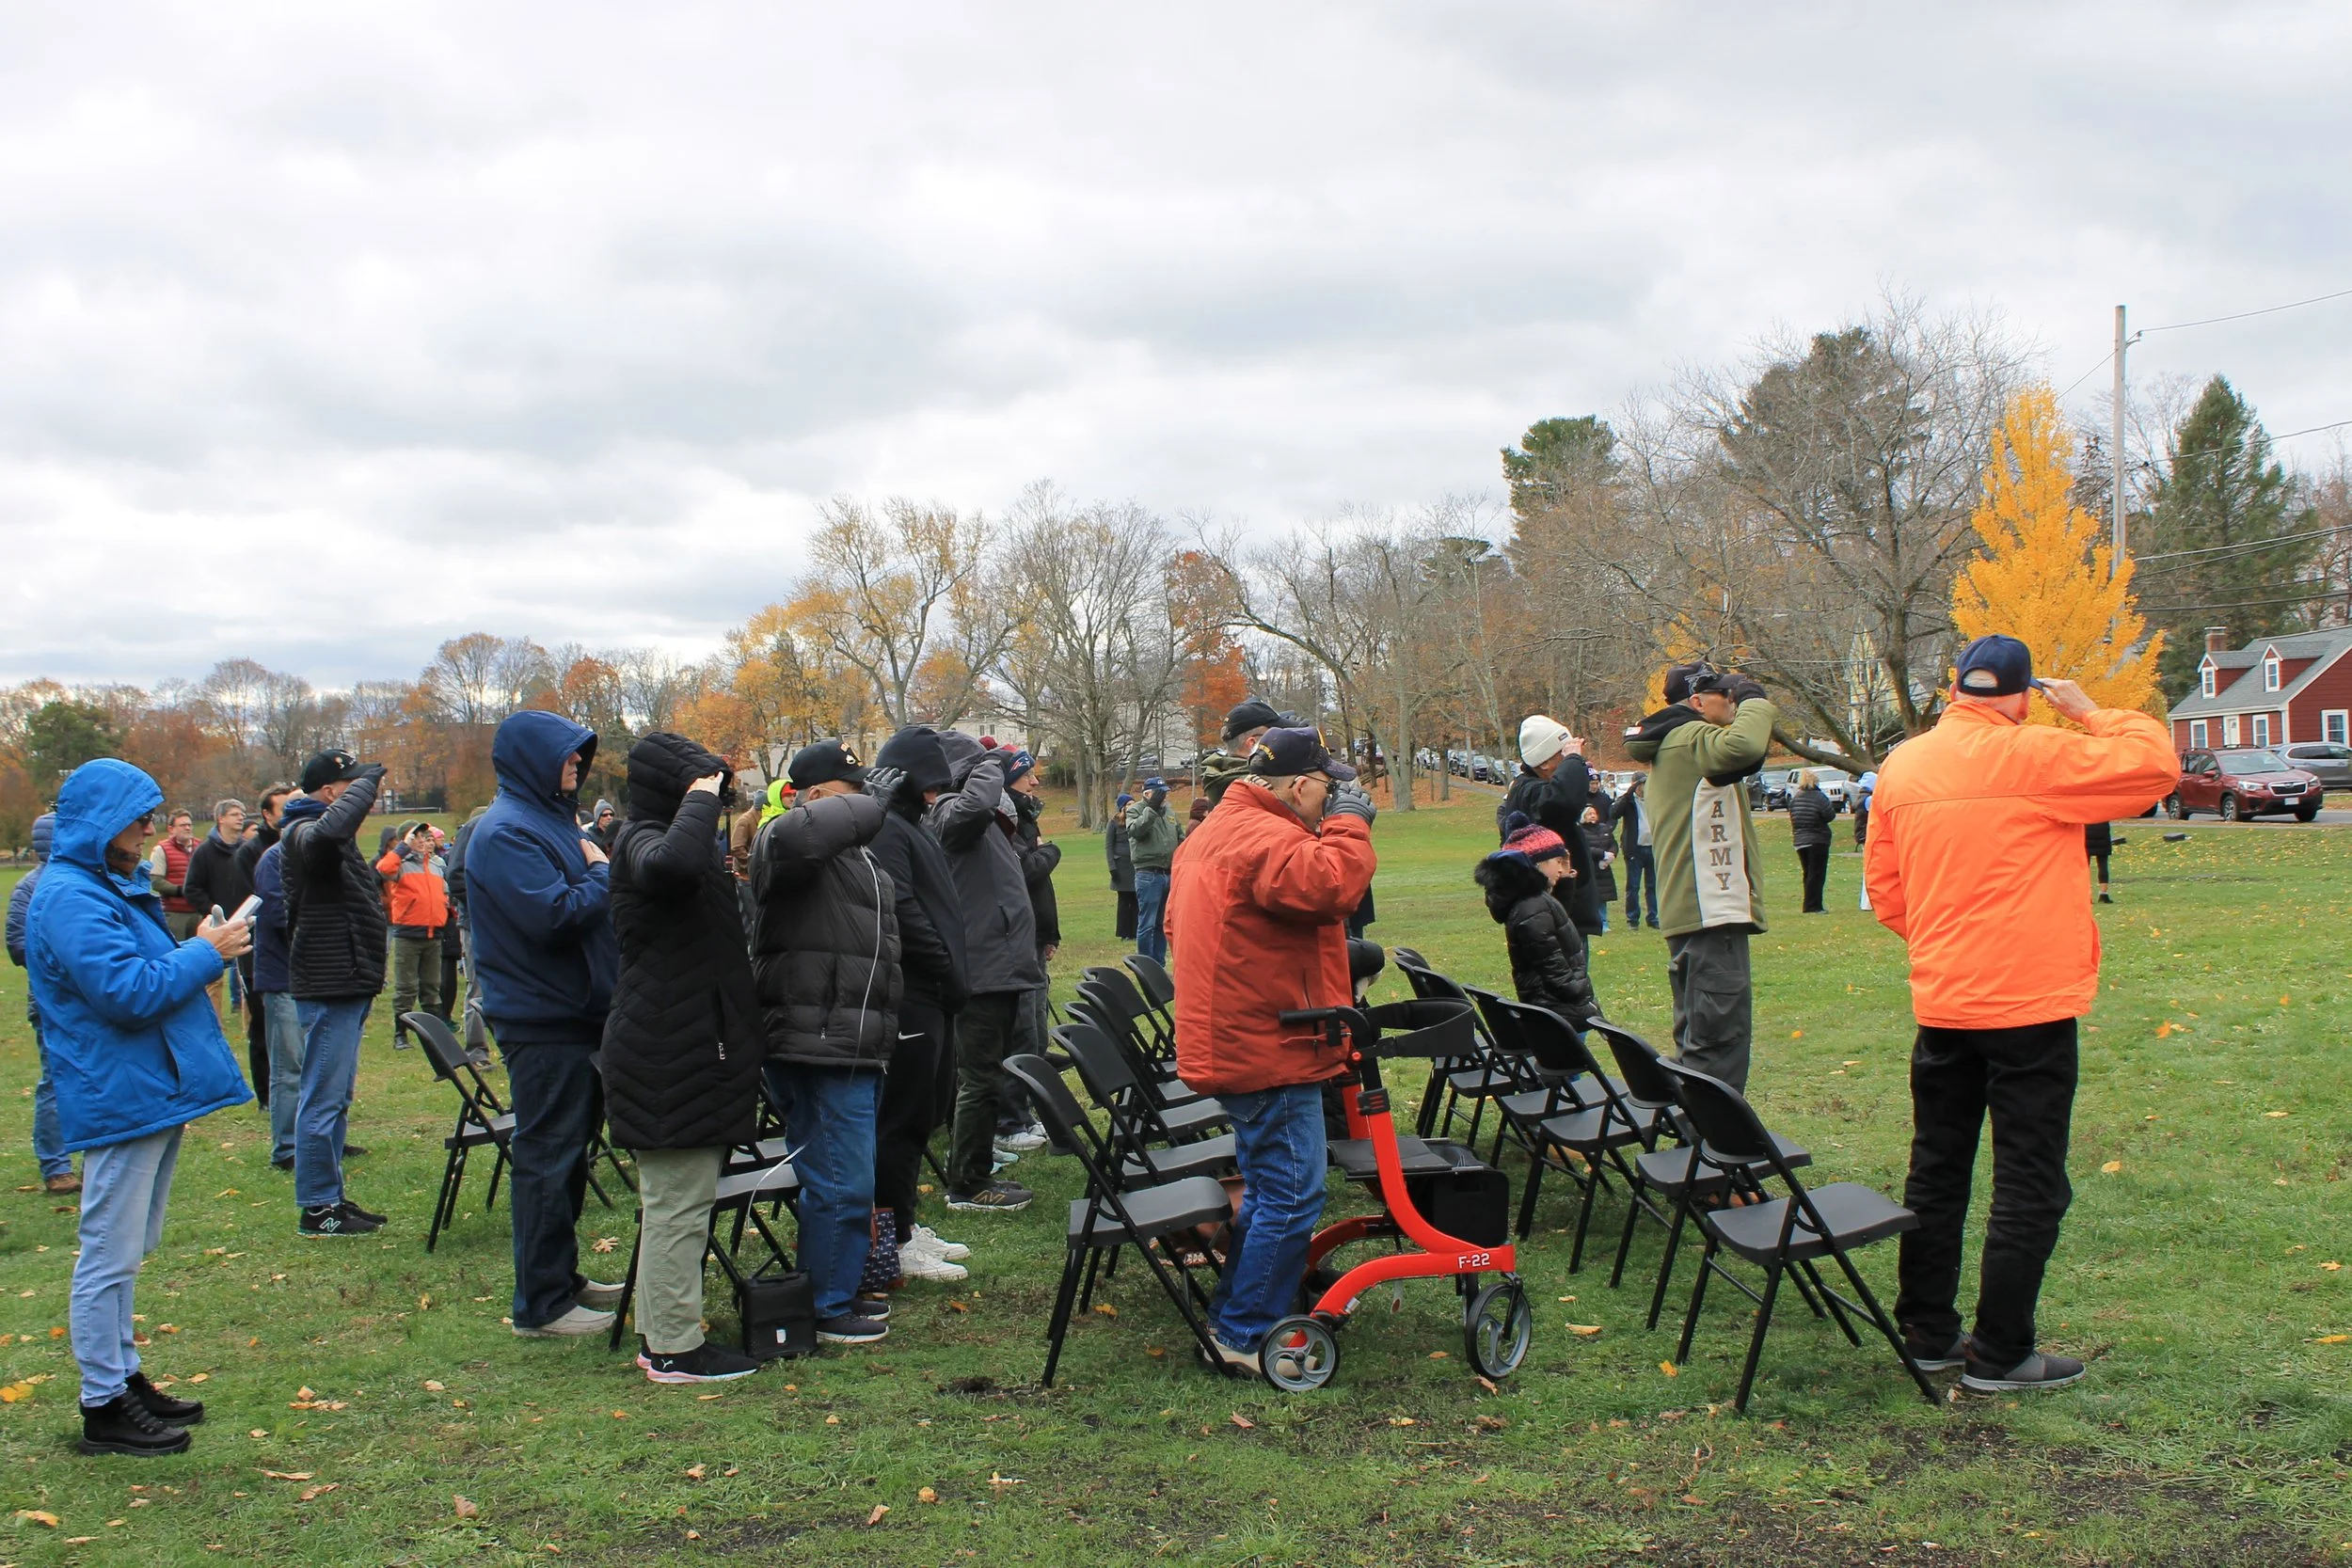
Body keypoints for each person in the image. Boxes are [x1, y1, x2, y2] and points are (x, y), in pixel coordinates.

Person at [1866, 635, 2174, 1394]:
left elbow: (1887, 887)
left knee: (1936, 1166)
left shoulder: (1904, 765)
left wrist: (1945, 939)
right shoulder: (2035, 754)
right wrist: (2092, 712)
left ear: (1956, 690)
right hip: (2028, 1003)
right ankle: (2001, 1350)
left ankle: (1927, 1330)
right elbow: (2155, 768)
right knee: (2029, 1176)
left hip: (1944, 998)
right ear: (2023, 693)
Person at [25, 759, 253, 1456]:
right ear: (101, 821)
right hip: (119, 1089)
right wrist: (205, 952)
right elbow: (127, 991)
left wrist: (198, 947)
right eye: (140, 818)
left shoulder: (103, 885)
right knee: (109, 1252)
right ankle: (104, 1404)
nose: (151, 829)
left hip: (145, 1088)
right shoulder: (70, 895)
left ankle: (124, 1377)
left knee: (128, 1249)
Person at [1166, 727, 1375, 1375]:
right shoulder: (1263, 835)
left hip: (1245, 1032)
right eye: (1326, 787)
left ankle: (1246, 1307)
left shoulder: (1218, 829)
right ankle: (1243, 1330)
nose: (1328, 798)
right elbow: (1331, 886)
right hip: (1266, 1042)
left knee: (1271, 1186)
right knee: (1289, 1191)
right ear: (1297, 784)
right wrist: (1349, 826)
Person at [600, 733, 766, 1384]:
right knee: (677, 1201)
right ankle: (672, 1347)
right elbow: (670, 865)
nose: (718, 799)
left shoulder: (672, 842)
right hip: (667, 1050)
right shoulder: (642, 840)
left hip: (688, 1042)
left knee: (681, 1198)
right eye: (704, 787)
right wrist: (699, 797)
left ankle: (662, 1329)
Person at [466, 711, 625, 1338]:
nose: (576, 766)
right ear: (532, 758)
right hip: (544, 1018)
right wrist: (601, 873)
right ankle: (541, 1303)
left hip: (578, 1012)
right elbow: (552, 915)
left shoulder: (552, 819)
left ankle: (562, 1276)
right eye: (566, 756)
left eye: (579, 757)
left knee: (571, 1153)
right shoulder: (506, 831)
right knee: (548, 1156)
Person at [753, 739, 901, 1343]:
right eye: (851, 793)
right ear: (811, 798)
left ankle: (834, 1289)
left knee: (843, 1178)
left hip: (849, 1039)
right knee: (840, 1180)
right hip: (816, 1042)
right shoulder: (782, 839)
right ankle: (824, 1304)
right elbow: (816, 831)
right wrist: (874, 803)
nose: (865, 804)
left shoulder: (850, 855)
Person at [1621, 663, 1777, 1092]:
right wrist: (1755, 698)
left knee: (1698, 1035)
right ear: (1696, 702)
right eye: (1724, 694)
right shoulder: (1690, 738)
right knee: (1718, 1041)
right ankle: (1712, 1147)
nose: (1731, 702)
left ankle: (1692, 1140)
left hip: (1693, 912)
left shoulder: (1675, 743)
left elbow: (1745, 756)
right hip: (1710, 912)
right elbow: (1743, 746)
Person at [862, 725, 973, 1284]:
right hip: (912, 991)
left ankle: (905, 1223)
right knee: (901, 1120)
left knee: (926, 1112)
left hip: (936, 992)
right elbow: (902, 908)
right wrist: (945, 965)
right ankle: (895, 1238)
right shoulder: (886, 829)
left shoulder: (913, 825)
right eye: (928, 788)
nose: (936, 798)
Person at [928, 731, 1041, 1214]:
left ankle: (974, 1161)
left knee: (985, 1073)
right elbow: (971, 810)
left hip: (1001, 963)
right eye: (978, 766)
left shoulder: (974, 815)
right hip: (982, 967)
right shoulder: (951, 811)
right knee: (979, 1076)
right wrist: (991, 765)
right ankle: (967, 1184)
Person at [281, 750, 391, 1236]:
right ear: (330, 793)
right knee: (322, 1099)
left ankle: (331, 1198)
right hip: (329, 984)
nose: (363, 795)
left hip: (345, 980)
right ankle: (317, 1207)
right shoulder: (305, 832)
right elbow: (330, 830)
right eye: (351, 786)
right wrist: (368, 783)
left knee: (336, 1098)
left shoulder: (325, 836)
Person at [6, 811, 79, 1194]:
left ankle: (87, 1152)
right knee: (55, 1081)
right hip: (51, 1000)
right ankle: (56, 1166)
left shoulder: (79, 882)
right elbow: (18, 947)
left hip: (86, 1000)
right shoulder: (30, 889)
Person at [1473, 818, 1598, 1025]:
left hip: (1551, 1004)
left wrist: (1565, 883)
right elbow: (1551, 962)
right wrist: (1578, 992)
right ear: (1538, 864)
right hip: (1554, 1007)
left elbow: (1555, 924)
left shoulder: (1534, 902)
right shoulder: (1532, 907)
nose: (1562, 868)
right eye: (1558, 861)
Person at [1501, 716, 1603, 938]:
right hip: (1552, 915)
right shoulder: (1529, 791)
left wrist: (1571, 760)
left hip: (1555, 911)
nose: (1570, 762)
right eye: (1562, 755)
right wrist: (1574, 759)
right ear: (1544, 762)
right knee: (1567, 972)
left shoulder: (1530, 789)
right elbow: (1562, 801)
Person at [231, 786, 293, 1094]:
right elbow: (252, 904)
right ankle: (267, 1093)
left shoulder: (298, 845)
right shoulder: (253, 854)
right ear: (267, 815)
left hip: (293, 956)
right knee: (262, 1023)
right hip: (258, 949)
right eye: (283, 810)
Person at [375, 821, 450, 1032]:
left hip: (433, 935)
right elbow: (383, 869)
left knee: (432, 986)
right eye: (415, 837)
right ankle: (401, 1033)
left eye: (425, 837)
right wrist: (403, 849)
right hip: (408, 935)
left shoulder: (436, 867)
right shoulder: (400, 864)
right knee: (406, 987)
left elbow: (444, 893)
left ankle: (434, 1031)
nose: (421, 841)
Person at [1124, 777, 1183, 963]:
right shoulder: (1135, 810)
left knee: (1162, 923)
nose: (1163, 796)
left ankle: (1158, 963)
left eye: (1165, 792)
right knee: (1147, 923)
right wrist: (1152, 809)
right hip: (1148, 874)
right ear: (1147, 794)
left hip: (1168, 873)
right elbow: (1135, 830)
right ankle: (1144, 963)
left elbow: (1179, 835)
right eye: (1159, 793)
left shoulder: (1169, 812)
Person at [1194, 697, 1292, 807]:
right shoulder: (1260, 789)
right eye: (1275, 736)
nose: (1280, 741)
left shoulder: (1221, 781)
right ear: (1253, 744)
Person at [1611, 773, 1659, 930]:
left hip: (1652, 847)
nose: (1644, 789)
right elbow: (1614, 813)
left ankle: (1653, 917)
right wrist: (1628, 793)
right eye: (1641, 785)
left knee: (1652, 885)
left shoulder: (1654, 800)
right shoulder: (1629, 802)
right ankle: (1632, 919)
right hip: (1634, 849)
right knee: (1633, 886)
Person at [147, 810, 200, 941]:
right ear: (171, 829)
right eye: (182, 825)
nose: (187, 828)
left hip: (199, 912)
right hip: (175, 913)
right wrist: (181, 891)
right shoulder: (161, 850)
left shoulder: (201, 847)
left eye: (189, 824)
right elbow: (156, 881)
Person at [1788, 770, 1836, 914]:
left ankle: (1808, 903)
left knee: (1808, 873)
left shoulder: (1796, 798)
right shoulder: (1819, 797)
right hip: (1817, 839)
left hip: (1800, 839)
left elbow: (1794, 817)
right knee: (1817, 874)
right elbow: (1830, 815)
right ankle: (1814, 905)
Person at [1579, 801, 1617, 932]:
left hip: (1604, 868)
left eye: (1594, 813)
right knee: (1593, 895)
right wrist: (1601, 854)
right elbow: (1585, 848)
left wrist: (1611, 855)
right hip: (1591, 867)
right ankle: (1595, 921)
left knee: (1604, 897)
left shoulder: (1604, 828)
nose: (1592, 816)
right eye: (1589, 814)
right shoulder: (1581, 831)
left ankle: (1604, 922)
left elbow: (1613, 843)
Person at [1105, 792, 1136, 941]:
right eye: (1128, 804)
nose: (1131, 807)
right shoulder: (1114, 823)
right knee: (1124, 901)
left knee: (1136, 900)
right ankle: (1124, 933)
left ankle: (1135, 931)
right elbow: (1109, 846)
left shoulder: (1138, 821)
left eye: (1133, 804)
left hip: (1135, 865)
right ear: (1122, 808)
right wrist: (1112, 866)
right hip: (1121, 867)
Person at [2085, 821, 2113, 903]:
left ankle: (2087, 895)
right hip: (2102, 830)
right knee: (2103, 864)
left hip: (2087, 830)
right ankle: (2104, 894)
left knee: (2085, 867)